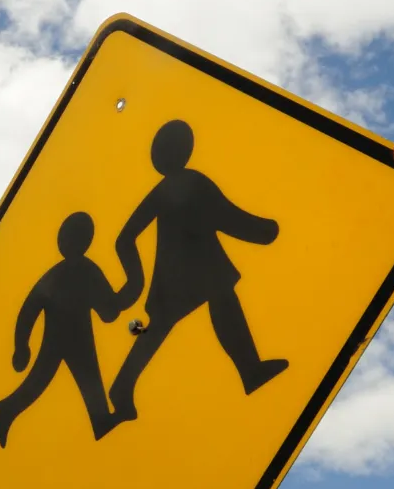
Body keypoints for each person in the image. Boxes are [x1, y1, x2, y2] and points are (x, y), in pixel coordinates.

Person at [109, 119, 289, 423]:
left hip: (191, 268)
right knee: (174, 322)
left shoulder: (170, 187)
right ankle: (121, 387)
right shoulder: (190, 182)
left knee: (217, 304)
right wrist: (263, 231)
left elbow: (125, 238)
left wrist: (134, 280)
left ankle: (249, 370)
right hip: (187, 270)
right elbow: (226, 216)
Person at [0, 211, 122, 448]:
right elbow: (29, 310)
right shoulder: (63, 274)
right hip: (61, 340)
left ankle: (100, 420)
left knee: (82, 380)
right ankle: (5, 410)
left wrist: (123, 296)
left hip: (78, 339)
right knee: (43, 382)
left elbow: (108, 310)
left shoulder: (84, 271)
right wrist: (21, 347)